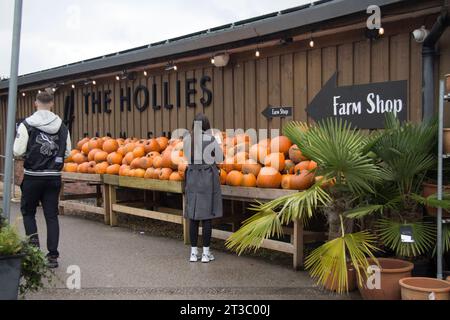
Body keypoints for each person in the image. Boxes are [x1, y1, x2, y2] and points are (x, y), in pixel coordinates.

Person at [13, 90, 72, 268]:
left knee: (29, 213)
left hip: (32, 176)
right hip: (53, 177)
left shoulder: (27, 124)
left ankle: (34, 252)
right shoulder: (62, 126)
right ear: (52, 104)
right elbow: (68, 152)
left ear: (35, 103)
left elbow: (17, 151)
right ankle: (53, 256)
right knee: (51, 215)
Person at [184, 114, 223, 263]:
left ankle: (193, 253)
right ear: (207, 125)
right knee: (207, 216)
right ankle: (206, 253)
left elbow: (188, 157)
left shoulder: (187, 139)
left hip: (192, 177)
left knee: (193, 215)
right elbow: (220, 158)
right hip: (207, 178)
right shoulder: (210, 139)